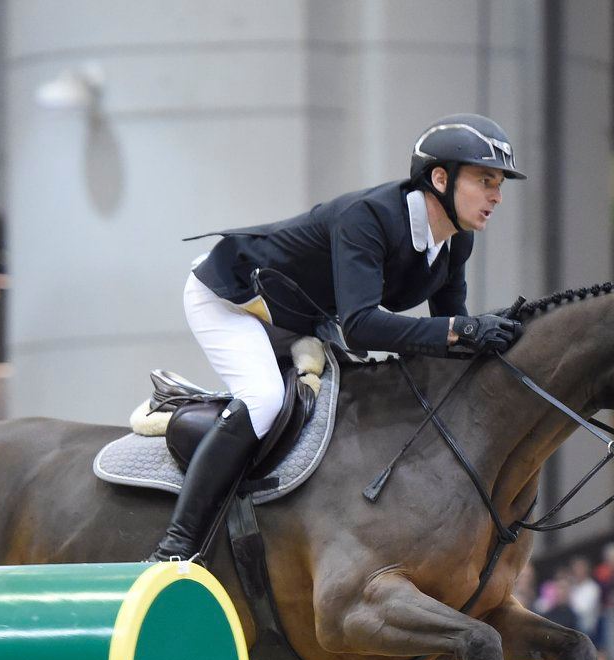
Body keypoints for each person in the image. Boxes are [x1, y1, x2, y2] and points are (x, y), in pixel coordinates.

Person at [151, 113, 527, 560]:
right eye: (485, 181)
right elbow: (361, 325)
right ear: (440, 179)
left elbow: (450, 331)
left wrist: (493, 340)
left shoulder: (456, 241)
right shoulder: (368, 218)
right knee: (264, 399)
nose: (497, 196)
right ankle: (176, 545)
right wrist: (461, 330)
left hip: (298, 317)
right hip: (231, 299)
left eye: (498, 184)